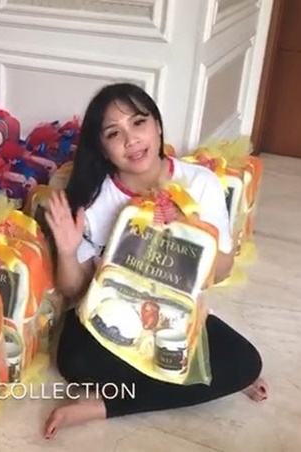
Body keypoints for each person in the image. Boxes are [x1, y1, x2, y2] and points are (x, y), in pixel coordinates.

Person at [41, 83, 268, 439]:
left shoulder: (200, 183)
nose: (130, 139)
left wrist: (190, 228)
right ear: (103, 148)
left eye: (138, 123)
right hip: (112, 317)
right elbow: (74, 289)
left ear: (157, 126)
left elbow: (221, 271)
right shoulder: (93, 196)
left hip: (173, 318)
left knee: (245, 363)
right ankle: (200, 382)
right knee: (73, 361)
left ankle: (104, 405)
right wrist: (68, 251)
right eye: (114, 133)